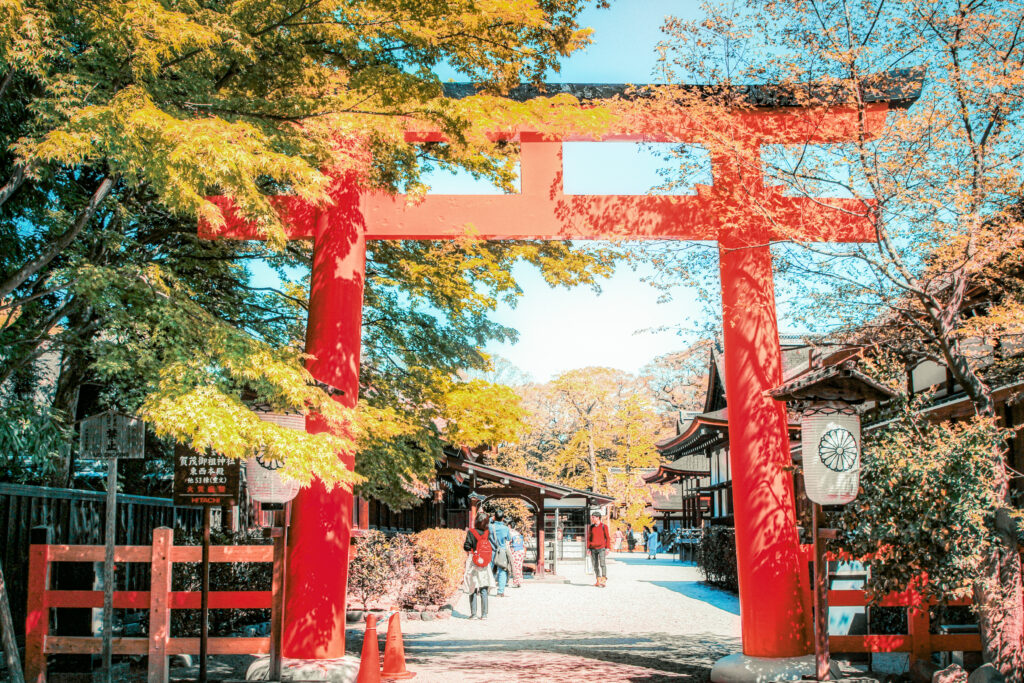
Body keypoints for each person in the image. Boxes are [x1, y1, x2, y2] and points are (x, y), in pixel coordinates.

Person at [462, 512, 496, 619]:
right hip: (484, 563)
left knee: (472, 588)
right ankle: (484, 614)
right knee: (483, 588)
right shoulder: (487, 533)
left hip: (474, 562)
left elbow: (466, 546)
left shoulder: (471, 532)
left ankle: (473, 614)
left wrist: (473, 550)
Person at [488, 509, 512, 597]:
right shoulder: (505, 528)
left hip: (491, 551)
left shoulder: (490, 526)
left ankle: (486, 589)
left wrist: (492, 519)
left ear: (494, 517)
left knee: (489, 571)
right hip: (501, 552)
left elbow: (488, 521)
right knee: (502, 571)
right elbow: (509, 539)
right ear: (503, 518)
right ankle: (500, 592)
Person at [587, 511, 611, 587]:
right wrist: (588, 548)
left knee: (602, 564)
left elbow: (607, 538)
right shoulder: (591, 527)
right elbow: (589, 538)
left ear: (598, 518)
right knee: (595, 565)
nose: (592, 518)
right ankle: (598, 580)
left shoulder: (604, 526)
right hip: (593, 549)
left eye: (593, 517)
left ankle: (603, 580)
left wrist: (607, 548)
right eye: (592, 517)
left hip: (601, 548)